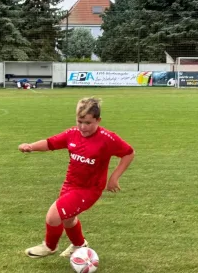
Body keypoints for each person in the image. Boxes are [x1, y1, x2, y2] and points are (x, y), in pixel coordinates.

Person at [18, 97, 135, 258]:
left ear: (98, 120)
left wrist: (114, 177)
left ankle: (50, 246)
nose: (83, 126)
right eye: (80, 121)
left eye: (88, 123)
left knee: (53, 216)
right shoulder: (72, 134)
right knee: (68, 219)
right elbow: (50, 143)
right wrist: (31, 146)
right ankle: (79, 245)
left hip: (89, 190)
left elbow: (129, 153)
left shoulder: (108, 139)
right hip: (70, 185)